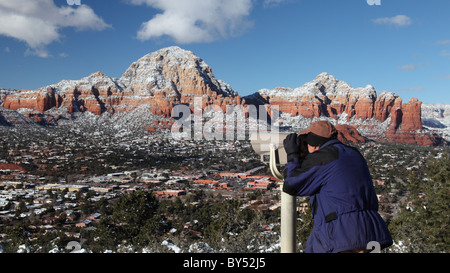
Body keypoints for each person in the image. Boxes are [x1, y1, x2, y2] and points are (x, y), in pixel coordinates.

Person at [282, 120, 393, 253]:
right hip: (371, 234)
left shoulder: (323, 157)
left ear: (315, 145)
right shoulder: (354, 153)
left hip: (342, 237)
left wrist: (293, 155)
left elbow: (291, 185)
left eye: (307, 144)